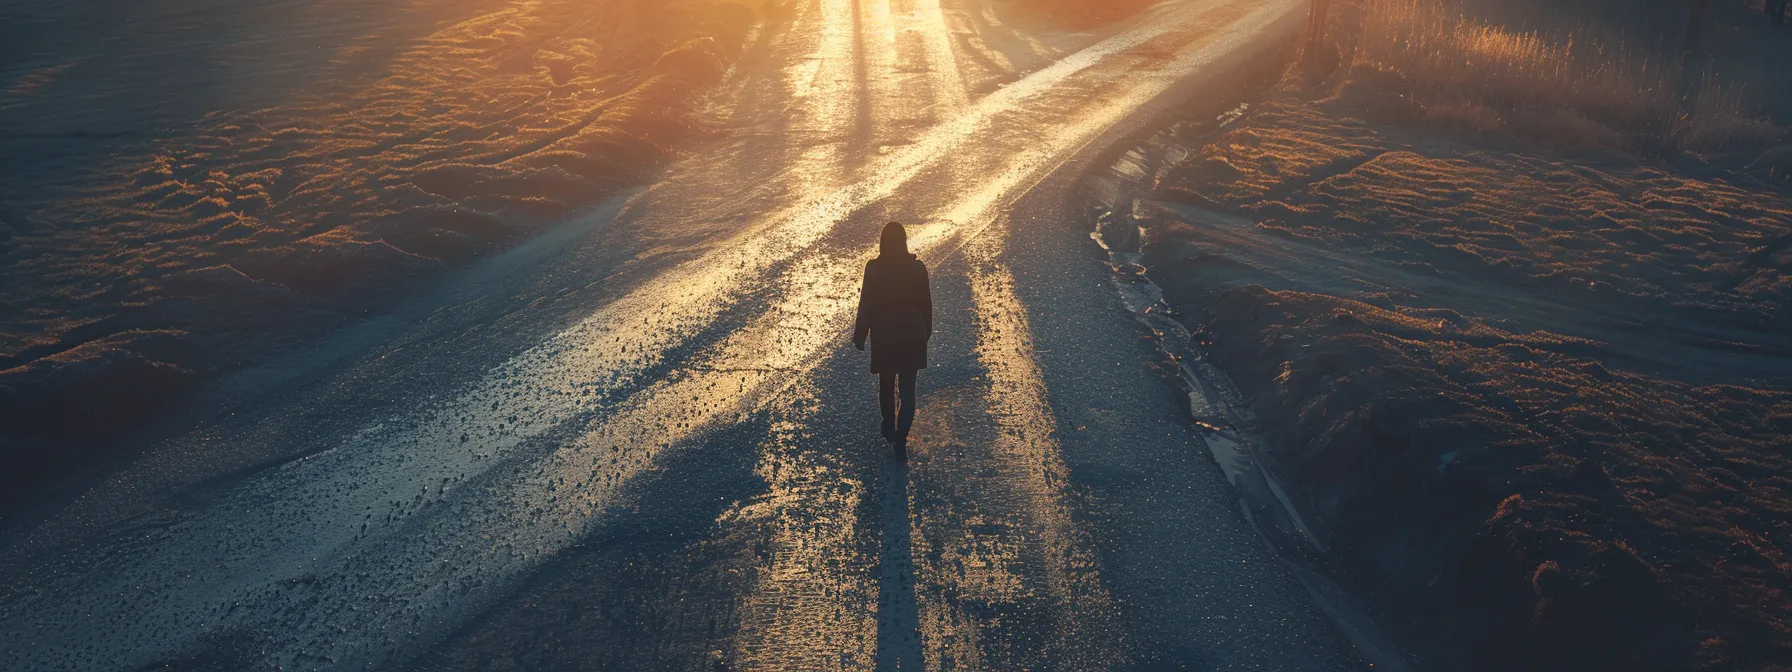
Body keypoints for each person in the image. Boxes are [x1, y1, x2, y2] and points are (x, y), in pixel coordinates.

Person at [853, 222, 932, 453]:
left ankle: (889, 425)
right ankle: (901, 437)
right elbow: (926, 305)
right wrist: (925, 332)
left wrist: (861, 335)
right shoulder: (918, 269)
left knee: (886, 384)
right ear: (905, 242)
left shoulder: (874, 268)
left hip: (885, 335)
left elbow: (865, 303)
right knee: (908, 390)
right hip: (912, 335)